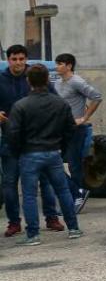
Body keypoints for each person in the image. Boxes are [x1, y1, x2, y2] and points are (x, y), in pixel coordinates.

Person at [6, 65, 82, 245]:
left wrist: (18, 152)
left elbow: (13, 133)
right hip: (53, 152)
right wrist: (61, 147)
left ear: (28, 81)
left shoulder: (21, 105)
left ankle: (33, 235)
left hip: (29, 153)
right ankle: (73, 228)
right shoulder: (60, 103)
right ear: (48, 79)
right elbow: (70, 129)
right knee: (62, 191)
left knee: (29, 195)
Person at [0, 44, 63, 237]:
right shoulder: (0, 80)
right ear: (8, 60)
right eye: (14, 59)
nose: (18, 63)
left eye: (21, 59)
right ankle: (14, 222)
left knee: (45, 181)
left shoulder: (36, 77)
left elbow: (55, 102)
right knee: (10, 183)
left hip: (37, 141)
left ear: (26, 59)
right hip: (10, 141)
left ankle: (51, 217)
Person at [53, 53, 102, 214]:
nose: (57, 66)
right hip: (61, 129)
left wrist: (84, 118)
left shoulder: (77, 81)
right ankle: (76, 192)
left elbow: (96, 96)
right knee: (53, 163)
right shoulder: (58, 83)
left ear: (69, 66)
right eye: (57, 63)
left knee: (74, 165)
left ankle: (77, 197)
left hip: (76, 129)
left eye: (60, 64)